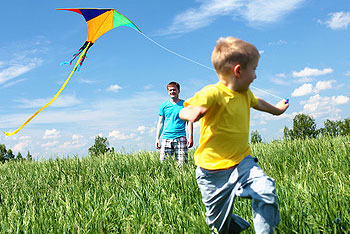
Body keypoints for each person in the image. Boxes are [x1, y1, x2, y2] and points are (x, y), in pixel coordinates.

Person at [179, 37, 289, 234]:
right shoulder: (212, 93)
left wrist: (278, 111)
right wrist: (192, 114)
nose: (255, 76)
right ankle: (234, 226)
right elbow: (183, 111)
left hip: (242, 163)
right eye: (254, 69)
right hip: (211, 173)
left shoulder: (245, 94)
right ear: (238, 71)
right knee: (219, 228)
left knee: (265, 190)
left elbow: (260, 103)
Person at [155, 81, 193, 165]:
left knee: (182, 165)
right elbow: (160, 122)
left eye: (174, 90)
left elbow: (189, 122)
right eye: (170, 90)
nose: (172, 92)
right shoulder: (164, 106)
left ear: (178, 91)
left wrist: (191, 137)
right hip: (166, 138)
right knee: (164, 165)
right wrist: (157, 138)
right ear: (168, 92)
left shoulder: (185, 104)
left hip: (181, 137)